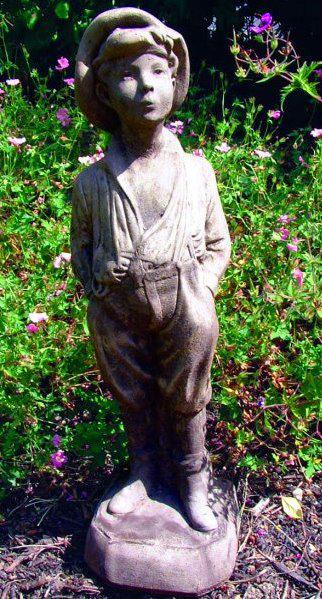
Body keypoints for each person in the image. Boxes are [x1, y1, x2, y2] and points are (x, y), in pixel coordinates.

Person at [71, 7, 231, 533]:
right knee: (132, 393)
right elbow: (81, 248)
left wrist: (202, 288)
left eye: (157, 72)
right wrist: (97, 274)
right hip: (117, 307)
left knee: (188, 397)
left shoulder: (196, 172)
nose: (145, 88)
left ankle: (192, 477)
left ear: (174, 79)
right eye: (126, 76)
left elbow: (218, 243)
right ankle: (142, 471)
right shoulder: (92, 184)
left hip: (185, 300)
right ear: (105, 94)